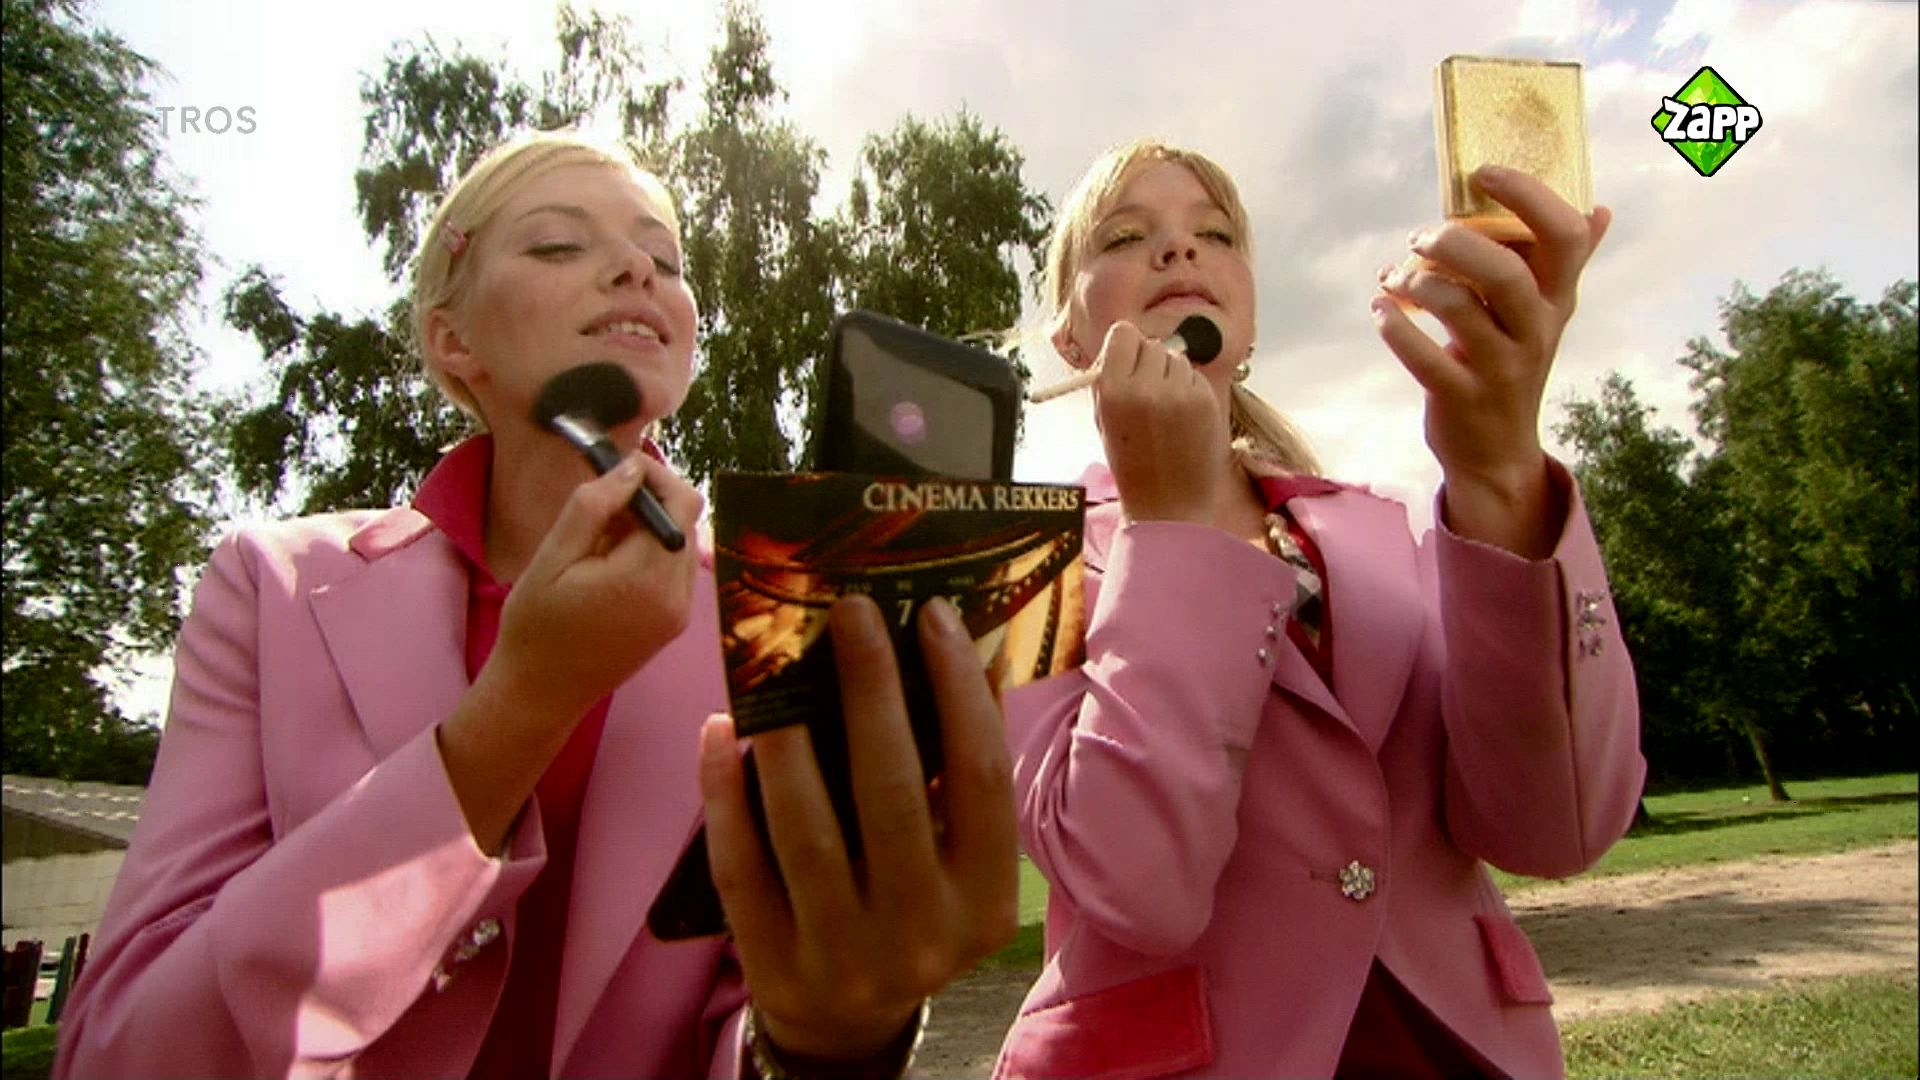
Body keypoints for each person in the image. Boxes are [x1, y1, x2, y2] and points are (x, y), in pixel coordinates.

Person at [54, 130, 1018, 1080]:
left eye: (666, 261)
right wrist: (521, 706)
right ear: (453, 339)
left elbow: (753, 1027)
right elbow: (120, 1052)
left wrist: (826, 1044)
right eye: (559, 244)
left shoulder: (769, 612)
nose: (636, 271)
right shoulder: (271, 587)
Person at [992, 139, 1644, 1079]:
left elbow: (1555, 827)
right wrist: (1172, 532)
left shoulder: (1388, 528)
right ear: (1068, 338)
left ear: (1250, 314)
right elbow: (1137, 886)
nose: (1180, 249)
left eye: (1216, 234)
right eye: (1126, 237)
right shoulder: (1020, 569)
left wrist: (1502, 472)